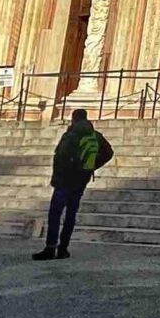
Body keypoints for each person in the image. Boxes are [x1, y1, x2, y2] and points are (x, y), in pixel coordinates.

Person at [36, 108, 113, 261]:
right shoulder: (95, 136)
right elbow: (108, 153)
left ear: (74, 119)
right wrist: (91, 166)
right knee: (71, 215)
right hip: (81, 181)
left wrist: (57, 177)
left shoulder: (70, 135)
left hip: (64, 181)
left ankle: (51, 247)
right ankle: (63, 249)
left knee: (55, 214)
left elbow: (60, 156)